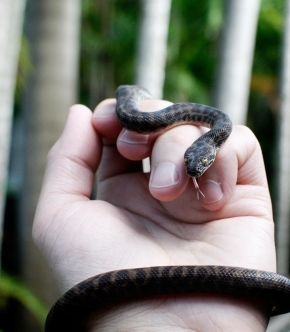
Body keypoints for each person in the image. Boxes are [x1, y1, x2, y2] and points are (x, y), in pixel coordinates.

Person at [33, 97, 277, 331]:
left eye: (201, 165)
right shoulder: (215, 132)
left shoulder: (220, 130)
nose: (194, 169)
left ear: (213, 152)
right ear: (189, 152)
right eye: (189, 162)